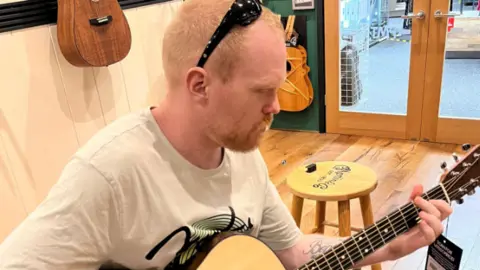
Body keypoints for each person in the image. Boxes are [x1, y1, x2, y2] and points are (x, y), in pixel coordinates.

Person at [0, 0, 453, 269]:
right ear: (200, 85)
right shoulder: (109, 174)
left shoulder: (241, 153)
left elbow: (293, 252)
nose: (277, 107)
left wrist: (389, 244)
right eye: (262, 91)